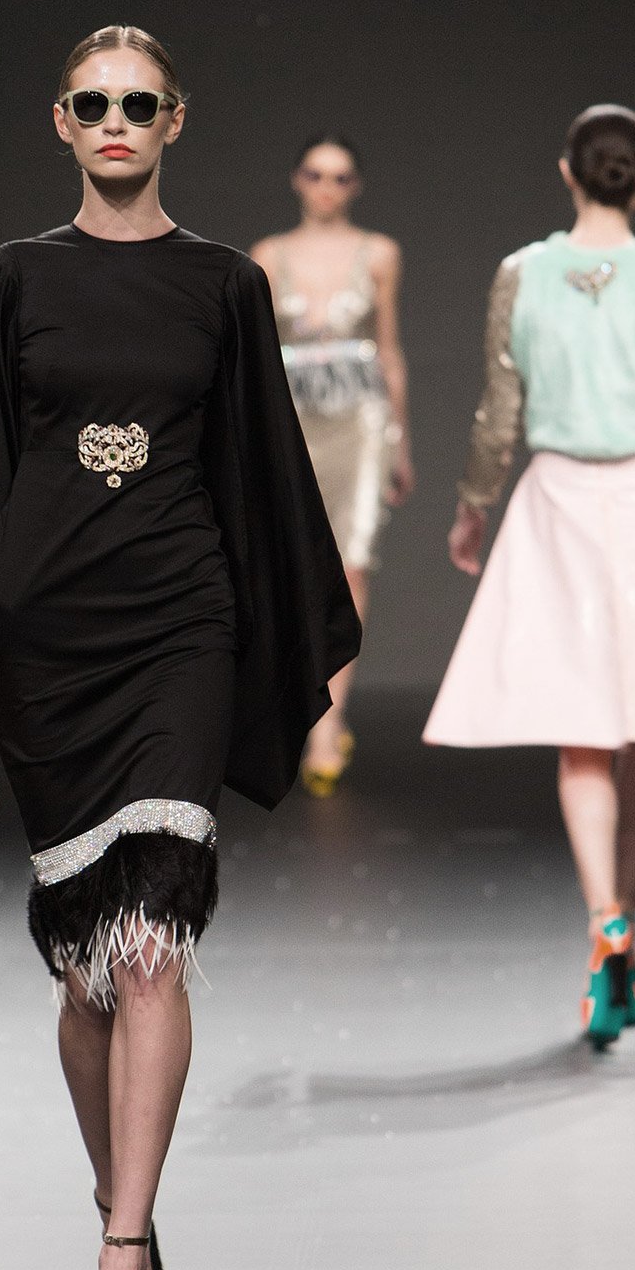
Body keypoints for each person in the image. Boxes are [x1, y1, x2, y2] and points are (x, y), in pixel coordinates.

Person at [0, 25, 360, 1270]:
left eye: (141, 101)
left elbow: (261, 470)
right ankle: (120, 1203)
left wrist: (269, 646)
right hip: (48, 641)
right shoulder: (12, 282)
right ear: (63, 122)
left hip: (180, 626)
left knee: (151, 944)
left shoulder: (225, 284)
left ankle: (119, 1259)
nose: (117, 119)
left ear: (176, 119)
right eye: (95, 103)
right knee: (85, 976)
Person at [424, 104, 635, 1047]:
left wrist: (473, 504)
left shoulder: (522, 273)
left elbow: (500, 406)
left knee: (582, 735)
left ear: (567, 172)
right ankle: (625, 928)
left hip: (558, 503)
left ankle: (606, 919)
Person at [251, 136, 413, 794]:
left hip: (361, 419)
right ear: (297, 179)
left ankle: (327, 724)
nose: (327, 187)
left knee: (352, 565)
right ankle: (304, 708)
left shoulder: (380, 253)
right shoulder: (268, 256)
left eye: (341, 177)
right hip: (293, 418)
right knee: (294, 569)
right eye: (316, 174)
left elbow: (389, 348)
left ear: (356, 186)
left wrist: (403, 442)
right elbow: (258, 356)